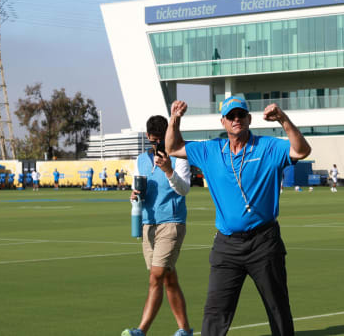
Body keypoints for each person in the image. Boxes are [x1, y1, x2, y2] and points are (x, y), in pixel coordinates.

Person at [166, 96, 311, 336]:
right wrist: (174, 120)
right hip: (227, 244)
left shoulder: (268, 147)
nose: (236, 120)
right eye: (231, 116)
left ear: (249, 119)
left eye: (241, 115)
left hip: (263, 242)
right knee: (215, 311)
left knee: (277, 307)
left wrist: (283, 120)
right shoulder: (210, 149)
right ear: (222, 121)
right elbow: (172, 147)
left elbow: (302, 150)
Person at [122, 115, 194, 336]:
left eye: (160, 140)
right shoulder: (140, 160)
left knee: (156, 276)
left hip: (171, 223)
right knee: (168, 278)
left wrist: (168, 170)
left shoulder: (179, 157)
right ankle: (185, 330)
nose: (157, 145)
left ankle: (141, 330)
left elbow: (184, 189)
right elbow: (138, 191)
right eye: (153, 141)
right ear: (147, 137)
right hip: (147, 224)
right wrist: (134, 195)